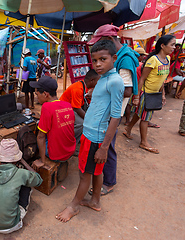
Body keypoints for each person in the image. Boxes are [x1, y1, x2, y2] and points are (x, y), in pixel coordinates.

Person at [56, 40, 124, 223]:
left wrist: (104, 147)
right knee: (95, 171)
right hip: (91, 133)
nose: (98, 64)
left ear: (114, 58)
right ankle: (95, 201)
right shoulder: (104, 78)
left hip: (96, 137)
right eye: (95, 60)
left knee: (84, 174)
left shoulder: (115, 81)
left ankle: (73, 206)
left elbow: (116, 116)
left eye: (103, 59)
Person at [87, 24, 139, 196]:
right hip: (104, 114)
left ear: (109, 40)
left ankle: (108, 182)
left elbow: (127, 90)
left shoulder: (124, 59)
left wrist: (103, 91)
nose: (98, 63)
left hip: (110, 115)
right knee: (105, 148)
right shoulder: (116, 61)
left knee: (107, 147)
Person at [123, 35, 176, 154]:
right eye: (172, 44)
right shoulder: (153, 60)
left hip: (155, 93)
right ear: (162, 46)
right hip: (146, 93)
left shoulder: (167, 59)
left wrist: (162, 94)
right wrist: (137, 97)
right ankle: (144, 142)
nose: (174, 47)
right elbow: (141, 79)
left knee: (140, 113)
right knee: (145, 118)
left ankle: (128, 128)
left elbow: (163, 80)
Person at [0, 138, 43, 234]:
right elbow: (38, 180)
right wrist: (23, 161)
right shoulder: (21, 174)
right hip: (10, 225)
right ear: (17, 159)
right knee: (27, 185)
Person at [29, 76, 76, 170]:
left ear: (45, 94)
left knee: (36, 136)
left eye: (37, 94)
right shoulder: (67, 104)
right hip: (70, 151)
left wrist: (42, 161)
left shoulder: (46, 107)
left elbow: (41, 137)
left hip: (57, 156)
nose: (36, 97)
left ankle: (42, 158)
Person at [60, 69, 100, 144]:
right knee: (82, 124)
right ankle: (68, 142)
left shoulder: (86, 86)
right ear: (92, 80)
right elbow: (77, 108)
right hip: (64, 109)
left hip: (73, 107)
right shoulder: (78, 89)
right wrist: (89, 120)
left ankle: (78, 138)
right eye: (98, 81)